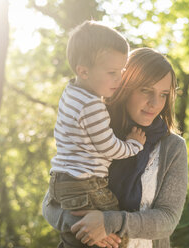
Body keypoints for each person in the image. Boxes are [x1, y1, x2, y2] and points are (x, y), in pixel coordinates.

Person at [43, 47, 188, 248]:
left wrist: (109, 223)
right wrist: (86, 227)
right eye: (146, 90)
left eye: (163, 94)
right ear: (124, 87)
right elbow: (51, 204)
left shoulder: (173, 148)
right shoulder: (95, 130)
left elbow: (167, 219)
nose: (155, 103)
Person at [47, 20, 146, 248]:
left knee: (81, 238)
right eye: (112, 72)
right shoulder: (92, 106)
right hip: (85, 183)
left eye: (121, 71)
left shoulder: (71, 92)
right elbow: (108, 146)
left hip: (62, 179)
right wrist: (133, 144)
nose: (119, 79)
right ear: (84, 71)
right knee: (113, 233)